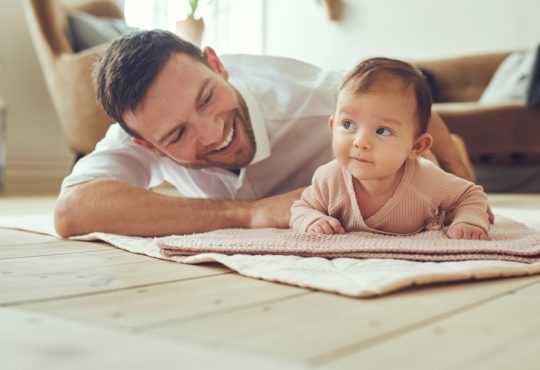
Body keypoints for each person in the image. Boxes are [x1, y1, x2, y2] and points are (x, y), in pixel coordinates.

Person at [54, 30, 478, 238]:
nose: (214, 131)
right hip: (327, 199)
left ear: (217, 65)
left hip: (387, 167)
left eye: (207, 98)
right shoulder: (141, 128)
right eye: (179, 134)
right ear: (146, 144)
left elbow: (408, 107)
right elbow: (72, 210)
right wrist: (246, 214)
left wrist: (461, 176)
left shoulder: (314, 97)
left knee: (428, 171)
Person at [290, 57, 490, 239]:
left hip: (425, 162)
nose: (360, 142)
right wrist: (311, 220)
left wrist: (469, 220)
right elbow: (301, 208)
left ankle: (452, 146)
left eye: (382, 131)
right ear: (333, 127)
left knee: (443, 177)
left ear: (416, 146)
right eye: (349, 125)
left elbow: (470, 195)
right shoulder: (329, 179)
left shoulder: (428, 179)